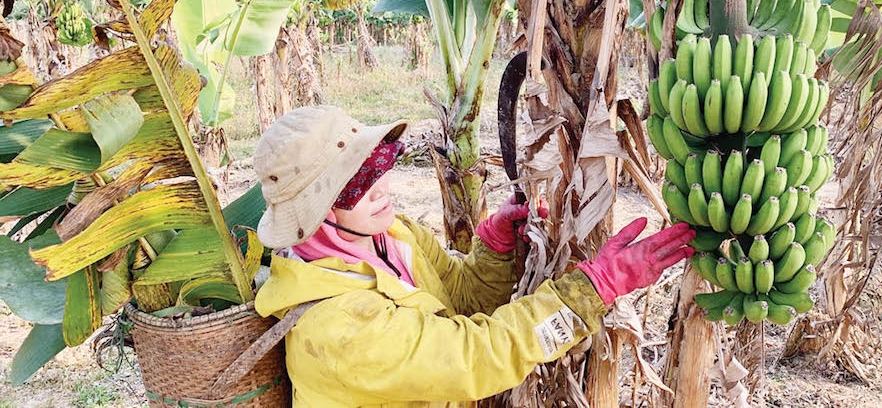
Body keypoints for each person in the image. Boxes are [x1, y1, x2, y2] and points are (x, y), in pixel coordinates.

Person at [254, 105, 697, 407]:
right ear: (314, 213)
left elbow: (459, 298)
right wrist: (593, 289)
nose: (382, 189)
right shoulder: (337, 325)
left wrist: (495, 245)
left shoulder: (391, 233)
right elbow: (472, 356)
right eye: (355, 186)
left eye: (378, 167)